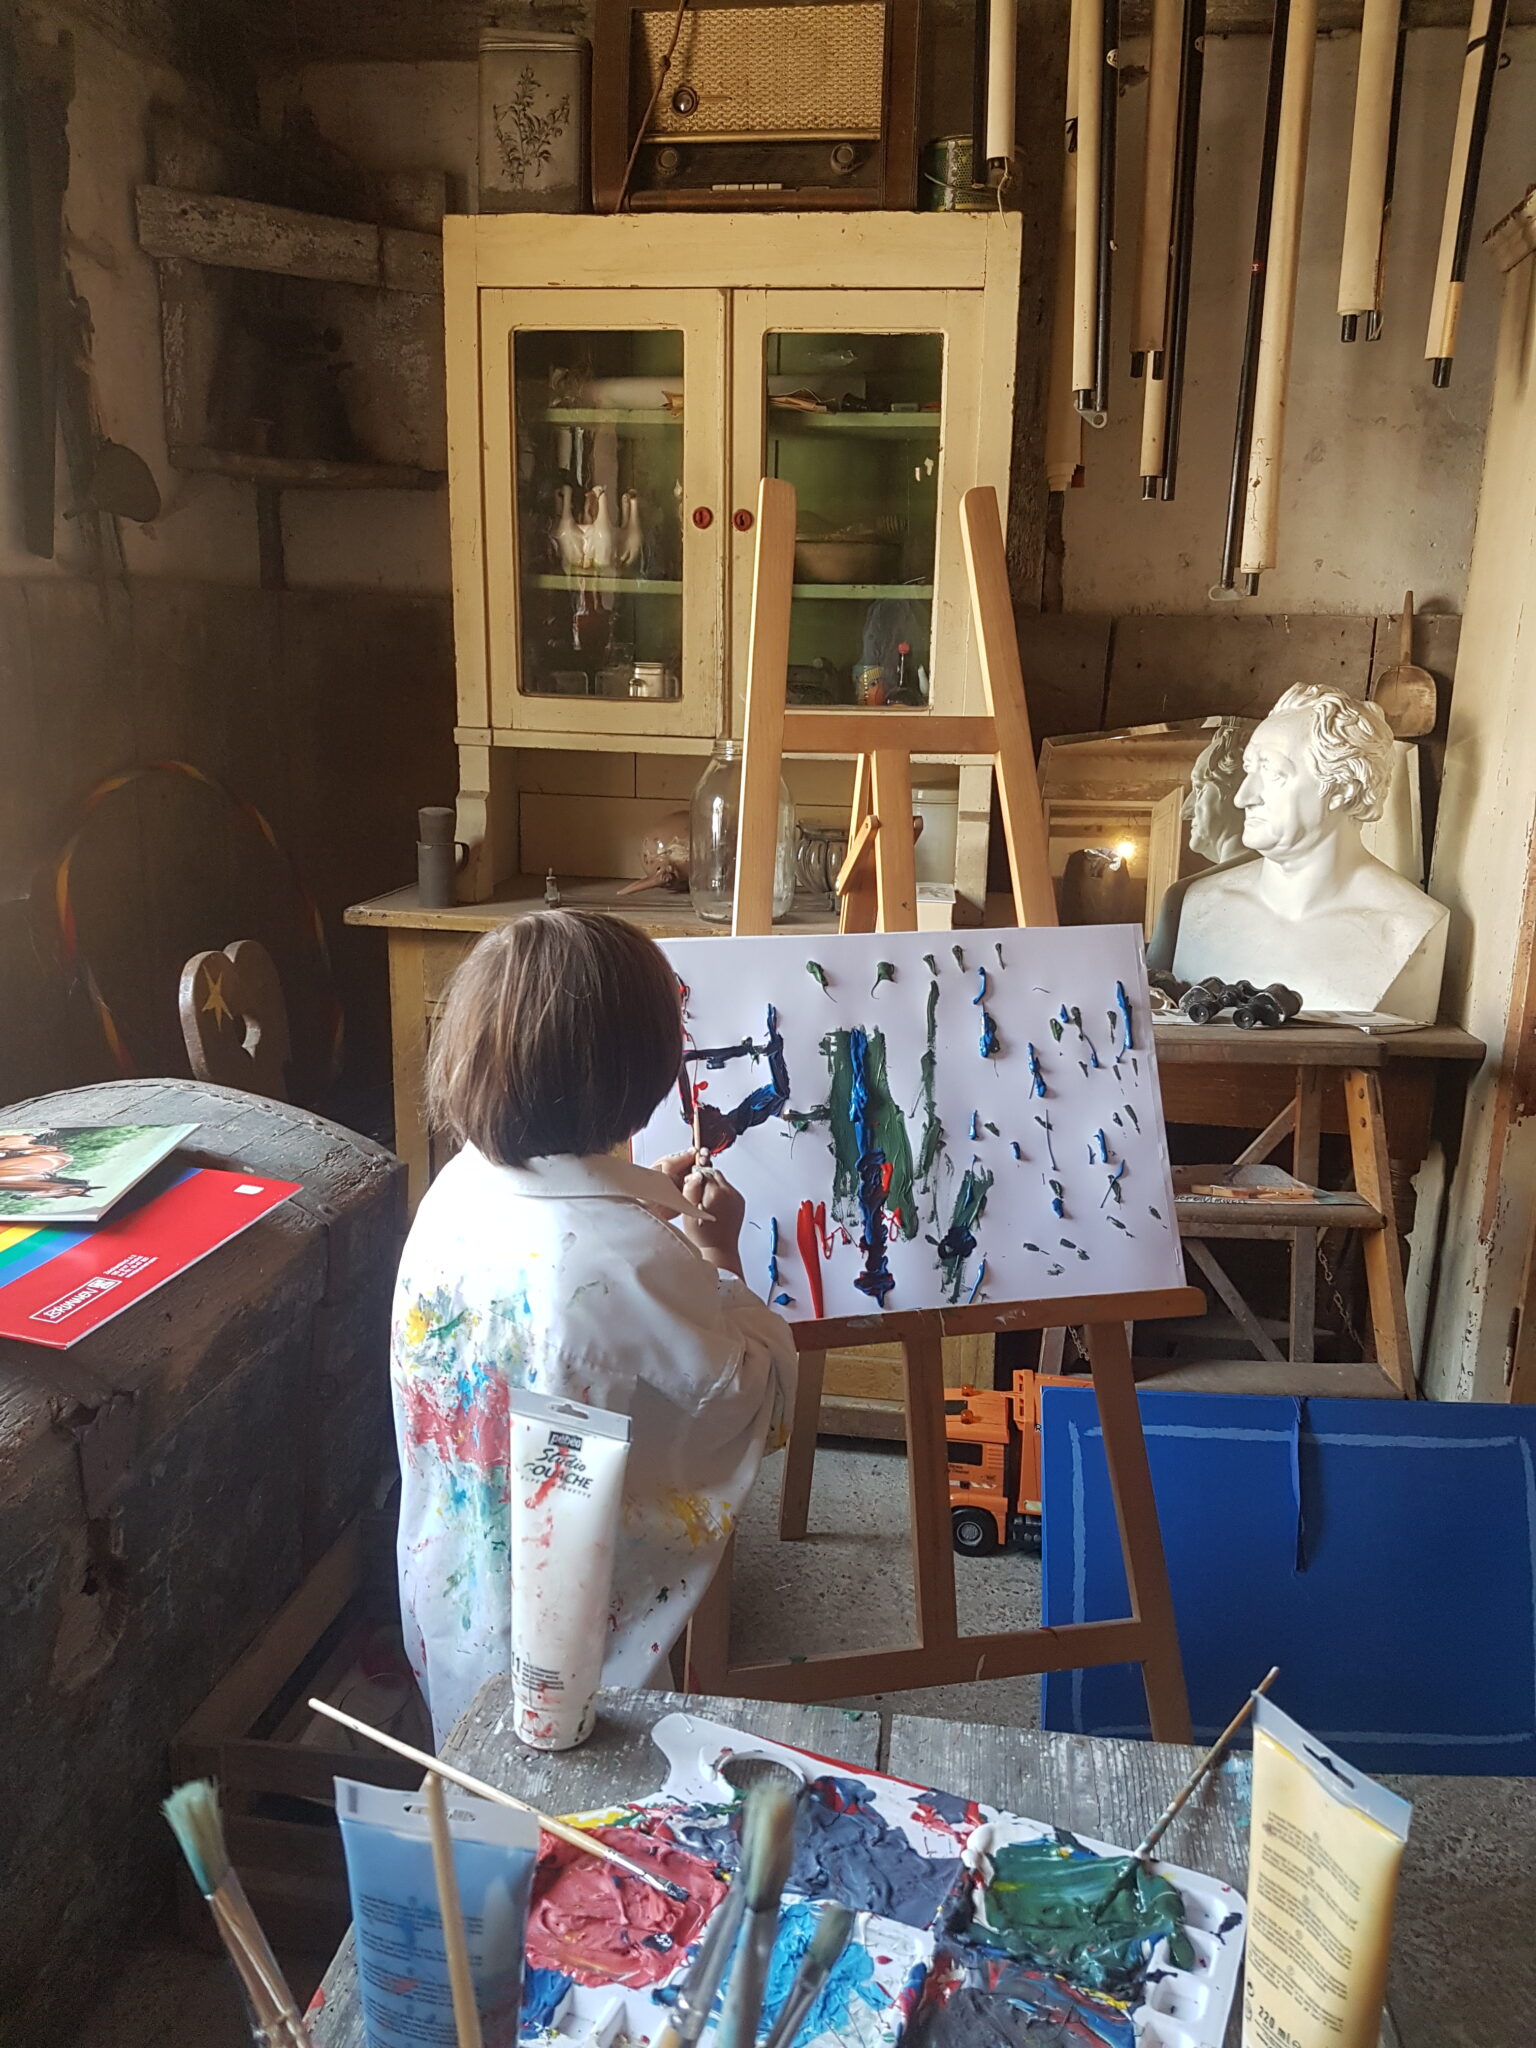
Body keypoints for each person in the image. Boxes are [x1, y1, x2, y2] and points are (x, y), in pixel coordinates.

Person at [391, 909, 796, 1742]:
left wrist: (634, 1208)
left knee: (476, 1760)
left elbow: (573, 1272)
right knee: (572, 1785)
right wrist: (715, 1254)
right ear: (644, 1069)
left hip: (454, 1592)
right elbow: (754, 1398)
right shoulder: (637, 1264)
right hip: (572, 1652)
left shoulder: (457, 1190)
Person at [1155, 683, 1448, 1022]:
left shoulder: (1407, 926)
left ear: (1342, 787)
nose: (1243, 797)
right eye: (1249, 770)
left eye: (1272, 773)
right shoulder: (1200, 905)